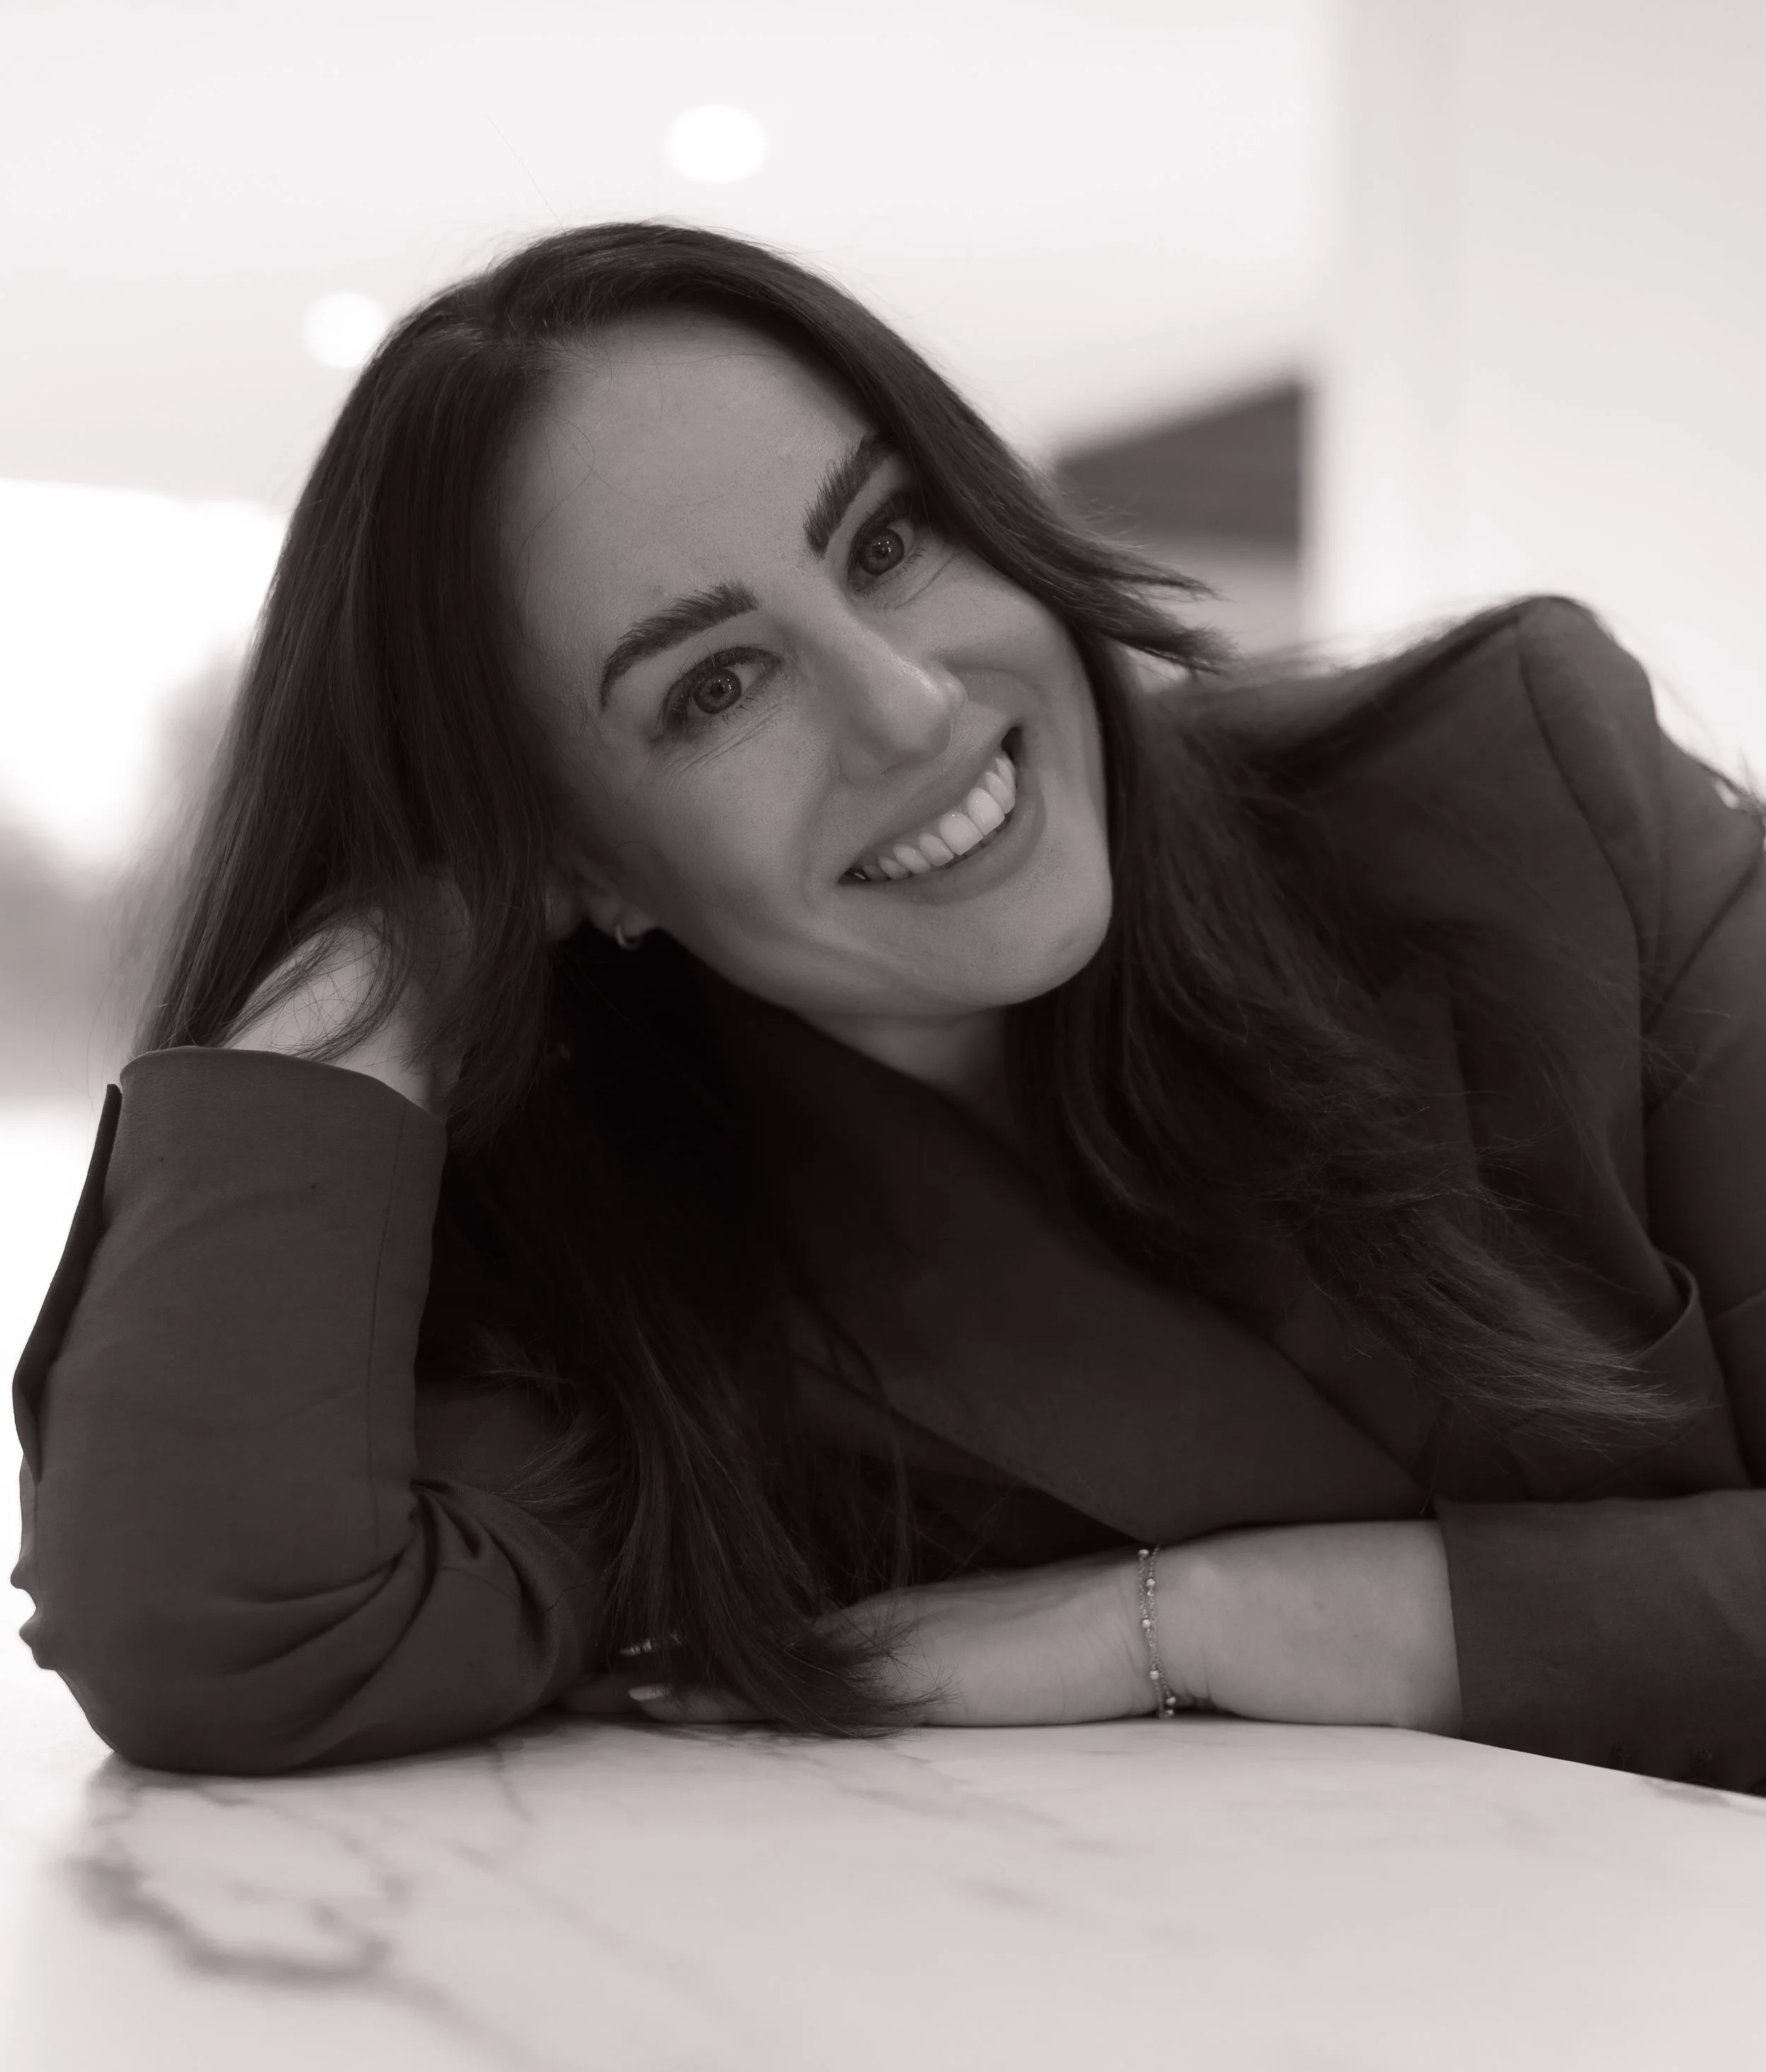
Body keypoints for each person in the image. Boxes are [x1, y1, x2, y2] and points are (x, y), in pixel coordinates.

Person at [11, 222, 1765, 1787]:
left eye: (889, 540)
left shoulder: (1523, 794)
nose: (908, 706)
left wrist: (1223, 1619)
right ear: (574, 868)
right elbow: (232, 1633)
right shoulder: (636, 1261)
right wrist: (392, 944)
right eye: (712, 689)